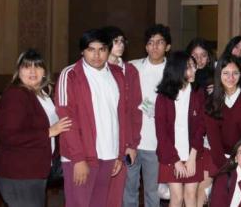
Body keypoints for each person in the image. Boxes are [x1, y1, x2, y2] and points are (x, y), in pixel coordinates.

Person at [57, 29, 132, 207]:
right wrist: (78, 158)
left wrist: (120, 155)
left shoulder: (117, 75)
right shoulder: (70, 75)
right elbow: (66, 120)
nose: (97, 55)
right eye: (91, 49)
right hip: (81, 157)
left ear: (109, 50)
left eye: (102, 49)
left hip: (110, 155)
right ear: (82, 51)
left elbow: (122, 116)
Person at [0, 49, 72, 205]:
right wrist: (49, 132)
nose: (33, 71)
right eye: (27, 67)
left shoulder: (42, 93)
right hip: (19, 171)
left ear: (44, 72)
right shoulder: (15, 95)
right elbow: (9, 136)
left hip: (36, 168)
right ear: (18, 71)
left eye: (37, 66)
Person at [126, 24, 172, 207]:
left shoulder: (173, 71)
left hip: (157, 144)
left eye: (160, 42)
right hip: (132, 142)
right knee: (129, 189)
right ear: (145, 46)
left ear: (167, 46)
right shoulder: (132, 68)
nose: (155, 47)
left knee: (153, 191)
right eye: (151, 42)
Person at [155, 51, 206, 207]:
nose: (194, 70)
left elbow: (201, 127)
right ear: (177, 70)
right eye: (189, 67)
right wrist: (175, 161)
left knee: (191, 196)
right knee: (176, 197)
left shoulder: (199, 93)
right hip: (171, 155)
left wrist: (192, 158)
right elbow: (161, 133)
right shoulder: (163, 96)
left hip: (193, 154)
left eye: (194, 66)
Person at [102, 26, 143, 207]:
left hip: (124, 141)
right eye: (115, 41)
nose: (120, 45)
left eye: (122, 41)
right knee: (100, 193)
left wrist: (132, 144)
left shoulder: (130, 71)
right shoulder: (97, 70)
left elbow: (135, 109)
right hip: (102, 141)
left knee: (124, 192)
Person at [204, 56, 241, 176]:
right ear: (219, 75)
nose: (231, 78)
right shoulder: (211, 101)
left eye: (235, 73)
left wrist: (239, 163)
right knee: (203, 190)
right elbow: (214, 140)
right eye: (226, 73)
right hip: (217, 157)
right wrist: (225, 166)